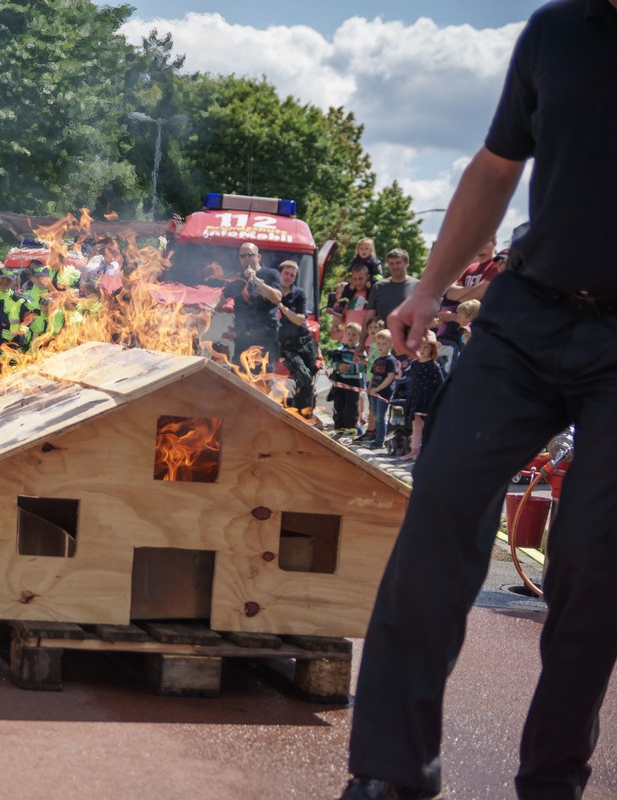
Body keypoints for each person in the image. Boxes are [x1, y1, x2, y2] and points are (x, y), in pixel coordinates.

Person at [339, 2, 617, 798]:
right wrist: (428, 290)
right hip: (528, 314)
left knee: (595, 563)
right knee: (439, 516)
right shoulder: (557, 31)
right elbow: (497, 168)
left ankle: (553, 780)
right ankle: (392, 772)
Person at [222, 241, 282, 365]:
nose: (246, 259)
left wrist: (255, 280)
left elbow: (277, 298)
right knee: (238, 376)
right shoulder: (236, 279)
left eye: (250, 255)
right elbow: (221, 299)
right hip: (243, 336)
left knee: (262, 379)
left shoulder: (271, 274)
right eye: (243, 256)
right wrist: (206, 310)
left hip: (265, 337)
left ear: (258, 257)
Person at [274, 259, 318, 413]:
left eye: (292, 275)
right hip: (287, 346)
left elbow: (300, 320)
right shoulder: (271, 292)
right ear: (279, 273)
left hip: (306, 343)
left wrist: (282, 308)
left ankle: (305, 414)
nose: (288, 277)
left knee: (308, 382)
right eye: (286, 273)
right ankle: (299, 416)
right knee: (304, 377)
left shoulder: (299, 293)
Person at [358, 249, 418, 356]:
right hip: (382, 346)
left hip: (409, 345)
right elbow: (369, 317)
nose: (394, 266)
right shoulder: (379, 287)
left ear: (407, 263)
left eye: (398, 263)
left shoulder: (418, 286)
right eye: (391, 263)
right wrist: (361, 343)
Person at [398, 332, 444, 462]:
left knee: (428, 427)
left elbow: (441, 383)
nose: (422, 350)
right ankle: (414, 451)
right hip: (415, 398)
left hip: (428, 399)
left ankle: (425, 452)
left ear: (432, 349)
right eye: (420, 347)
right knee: (416, 427)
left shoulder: (434, 365)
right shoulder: (414, 364)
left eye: (426, 347)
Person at [326, 322, 365, 433]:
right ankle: (339, 426)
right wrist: (339, 366)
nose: (351, 337)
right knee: (339, 403)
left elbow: (364, 367)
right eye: (349, 334)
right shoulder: (340, 349)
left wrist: (350, 368)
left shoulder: (360, 351)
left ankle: (350, 427)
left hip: (354, 381)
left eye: (354, 334)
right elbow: (333, 363)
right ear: (344, 335)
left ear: (359, 336)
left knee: (351, 405)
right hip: (340, 380)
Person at [364, 328, 398, 451]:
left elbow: (391, 377)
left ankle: (379, 441)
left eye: (384, 344)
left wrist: (378, 388)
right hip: (374, 391)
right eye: (378, 343)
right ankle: (377, 437)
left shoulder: (391, 360)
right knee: (376, 415)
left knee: (381, 415)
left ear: (391, 345)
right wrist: (369, 387)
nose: (381, 346)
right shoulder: (378, 360)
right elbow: (373, 374)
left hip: (384, 392)